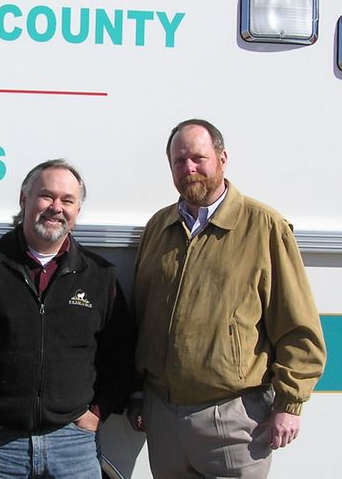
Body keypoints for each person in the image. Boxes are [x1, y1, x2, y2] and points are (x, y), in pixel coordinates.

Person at [128, 119, 326, 478]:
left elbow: (299, 326)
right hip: (163, 417)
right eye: (179, 160)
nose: (189, 168)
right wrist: (138, 393)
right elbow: (142, 319)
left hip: (235, 422)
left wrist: (289, 404)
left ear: (222, 158)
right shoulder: (159, 227)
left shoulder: (264, 226)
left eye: (198, 158)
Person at [0, 159, 135, 479]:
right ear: (25, 201)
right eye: (46, 196)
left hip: (73, 445)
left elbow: (120, 352)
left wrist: (99, 412)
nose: (56, 207)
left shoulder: (100, 276)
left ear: (77, 212)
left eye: (67, 200)